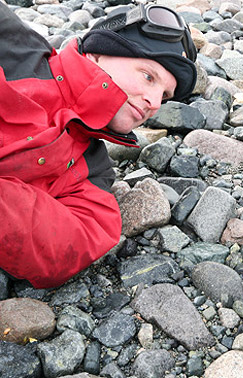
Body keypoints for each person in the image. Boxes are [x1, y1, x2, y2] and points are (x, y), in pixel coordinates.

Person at [0, 2, 197, 289]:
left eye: (164, 95)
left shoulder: (94, 172)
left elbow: (63, 250)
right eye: (148, 76)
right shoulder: (14, 45)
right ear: (98, 54)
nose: (154, 103)